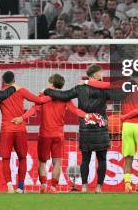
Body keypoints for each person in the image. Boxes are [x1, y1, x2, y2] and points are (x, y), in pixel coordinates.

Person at [43, 64, 116, 193]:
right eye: (101, 72)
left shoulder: (80, 88)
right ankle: (99, 187)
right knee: (102, 159)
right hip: (101, 127)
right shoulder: (105, 90)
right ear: (95, 75)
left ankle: (84, 186)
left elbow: (64, 95)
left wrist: (47, 91)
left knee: (85, 159)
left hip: (85, 128)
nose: (102, 75)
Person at [12, 73, 88, 193]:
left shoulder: (43, 95)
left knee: (42, 161)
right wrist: (88, 116)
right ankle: (53, 187)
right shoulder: (65, 97)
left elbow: (33, 109)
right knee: (57, 162)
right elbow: (75, 110)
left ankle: (43, 185)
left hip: (45, 134)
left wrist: (22, 117)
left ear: (51, 84)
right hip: (58, 135)